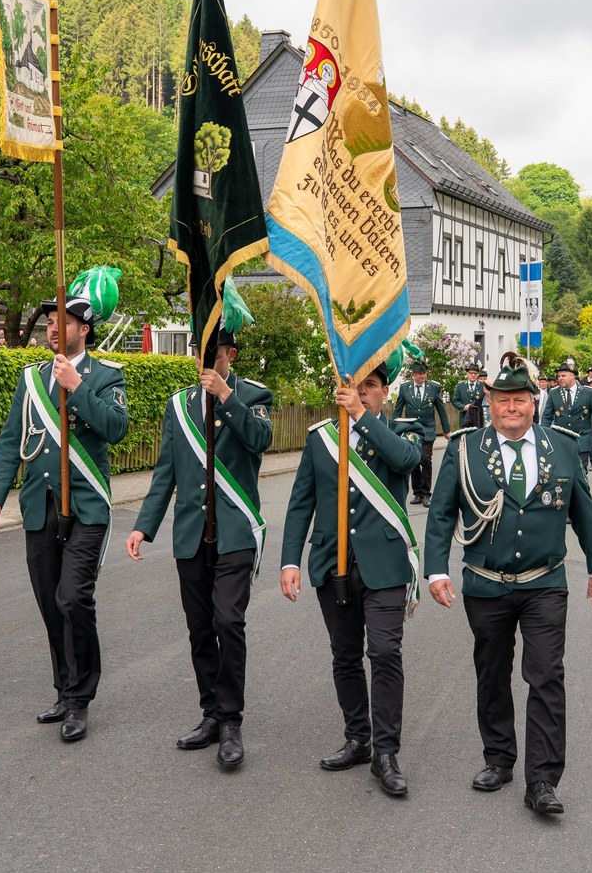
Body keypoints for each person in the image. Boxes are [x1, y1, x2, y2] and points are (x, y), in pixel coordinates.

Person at [424, 353, 592, 816]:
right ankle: (499, 758)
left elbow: (582, 509)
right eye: (503, 400)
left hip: (545, 581)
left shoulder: (562, 446)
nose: (512, 407)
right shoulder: (465, 449)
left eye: (520, 399)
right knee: (492, 673)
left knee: (546, 675)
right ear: (490, 404)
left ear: (533, 403)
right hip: (486, 583)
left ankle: (543, 779)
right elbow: (442, 513)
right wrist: (436, 570)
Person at [0, 294, 129, 742]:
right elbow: (11, 440)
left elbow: (116, 428)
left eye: (62, 321)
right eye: (48, 321)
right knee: (50, 602)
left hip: (86, 506)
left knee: (73, 598)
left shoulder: (106, 375)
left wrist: (77, 387)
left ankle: (81, 698)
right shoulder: (31, 378)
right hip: (39, 505)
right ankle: (64, 691)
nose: (51, 328)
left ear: (84, 329)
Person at [128, 327, 272, 769]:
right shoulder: (179, 405)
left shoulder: (254, 395)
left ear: (231, 354)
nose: (205, 361)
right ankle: (211, 712)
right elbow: (165, 472)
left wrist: (226, 396)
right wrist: (144, 527)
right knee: (200, 629)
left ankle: (231, 721)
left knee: (228, 620)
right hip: (191, 533)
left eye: (214, 353)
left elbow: (260, 440)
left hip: (235, 532)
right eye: (199, 352)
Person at [282, 360, 423, 798]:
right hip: (333, 563)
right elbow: (301, 502)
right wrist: (289, 561)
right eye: (355, 385)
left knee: (384, 652)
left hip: (385, 564)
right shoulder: (321, 437)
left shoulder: (404, 432)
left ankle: (386, 753)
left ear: (385, 392)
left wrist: (360, 418)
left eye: (371, 385)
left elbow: (406, 461)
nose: (362, 392)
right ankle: (358, 738)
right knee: (344, 656)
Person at [394, 359, 451, 505]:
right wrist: (394, 428)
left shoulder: (434, 388)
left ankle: (426, 494)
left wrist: (447, 431)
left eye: (424, 373)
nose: (422, 376)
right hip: (412, 430)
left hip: (428, 430)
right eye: (419, 373)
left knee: (425, 459)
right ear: (413, 374)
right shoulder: (404, 388)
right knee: (414, 461)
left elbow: (441, 410)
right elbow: (398, 409)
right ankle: (417, 493)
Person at [541, 361, 592, 472]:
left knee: (580, 471)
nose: (560, 379)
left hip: (582, 439)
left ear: (572, 376)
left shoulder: (588, 393)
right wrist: (543, 438)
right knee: (562, 473)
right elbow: (547, 417)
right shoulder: (554, 393)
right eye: (558, 376)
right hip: (560, 440)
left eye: (563, 376)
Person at [453, 364, 487, 430]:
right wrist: (464, 407)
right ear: (467, 374)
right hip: (464, 418)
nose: (473, 375)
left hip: (479, 418)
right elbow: (455, 401)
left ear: (478, 374)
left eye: (475, 373)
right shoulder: (460, 386)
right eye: (471, 373)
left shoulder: (483, 386)